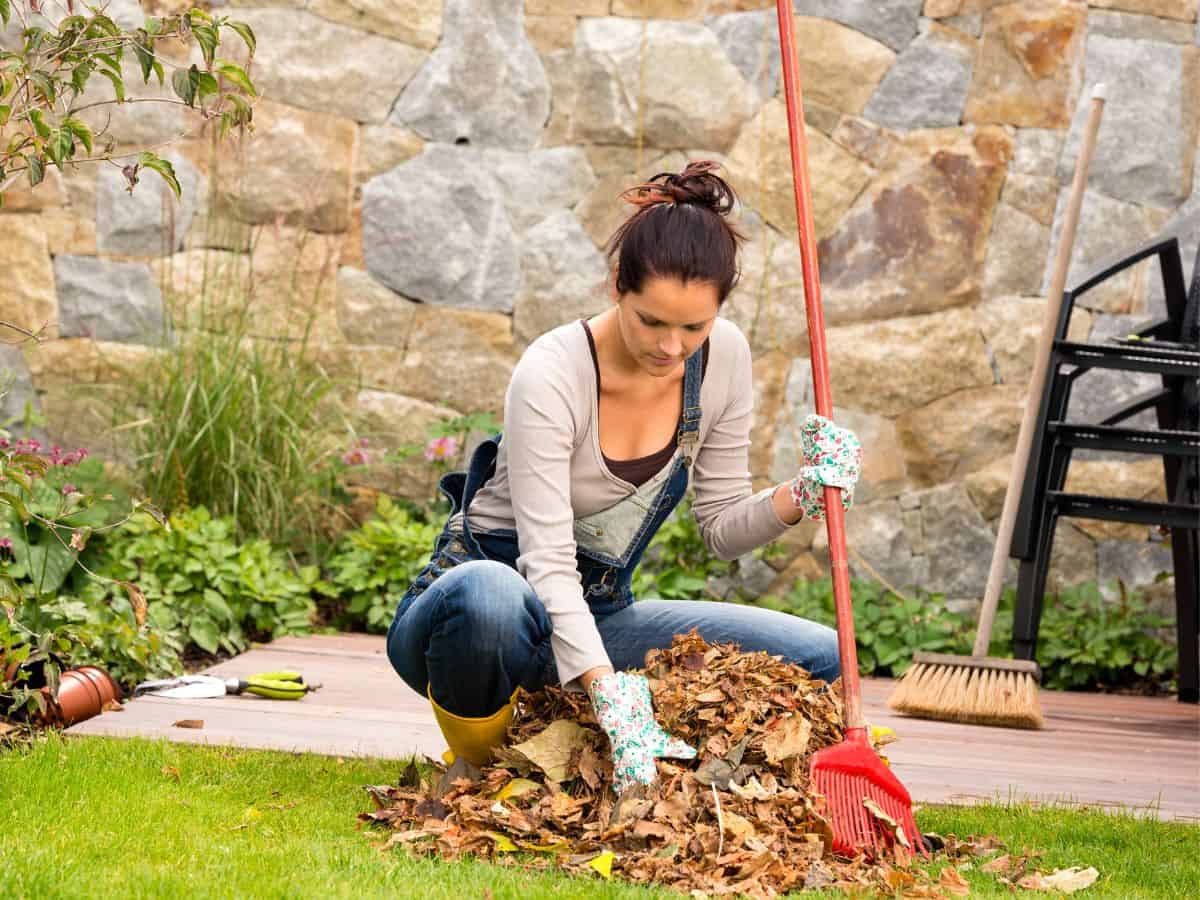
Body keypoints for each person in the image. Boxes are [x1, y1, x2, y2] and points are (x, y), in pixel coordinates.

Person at [386, 160, 862, 794]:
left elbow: (721, 528)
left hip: (596, 614)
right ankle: (479, 767)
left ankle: (636, 760)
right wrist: (611, 693)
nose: (671, 347)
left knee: (822, 654)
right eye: (652, 321)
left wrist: (802, 494)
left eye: (694, 326)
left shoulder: (724, 358)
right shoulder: (552, 372)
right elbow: (546, 564)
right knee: (489, 596)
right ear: (618, 286)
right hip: (477, 622)